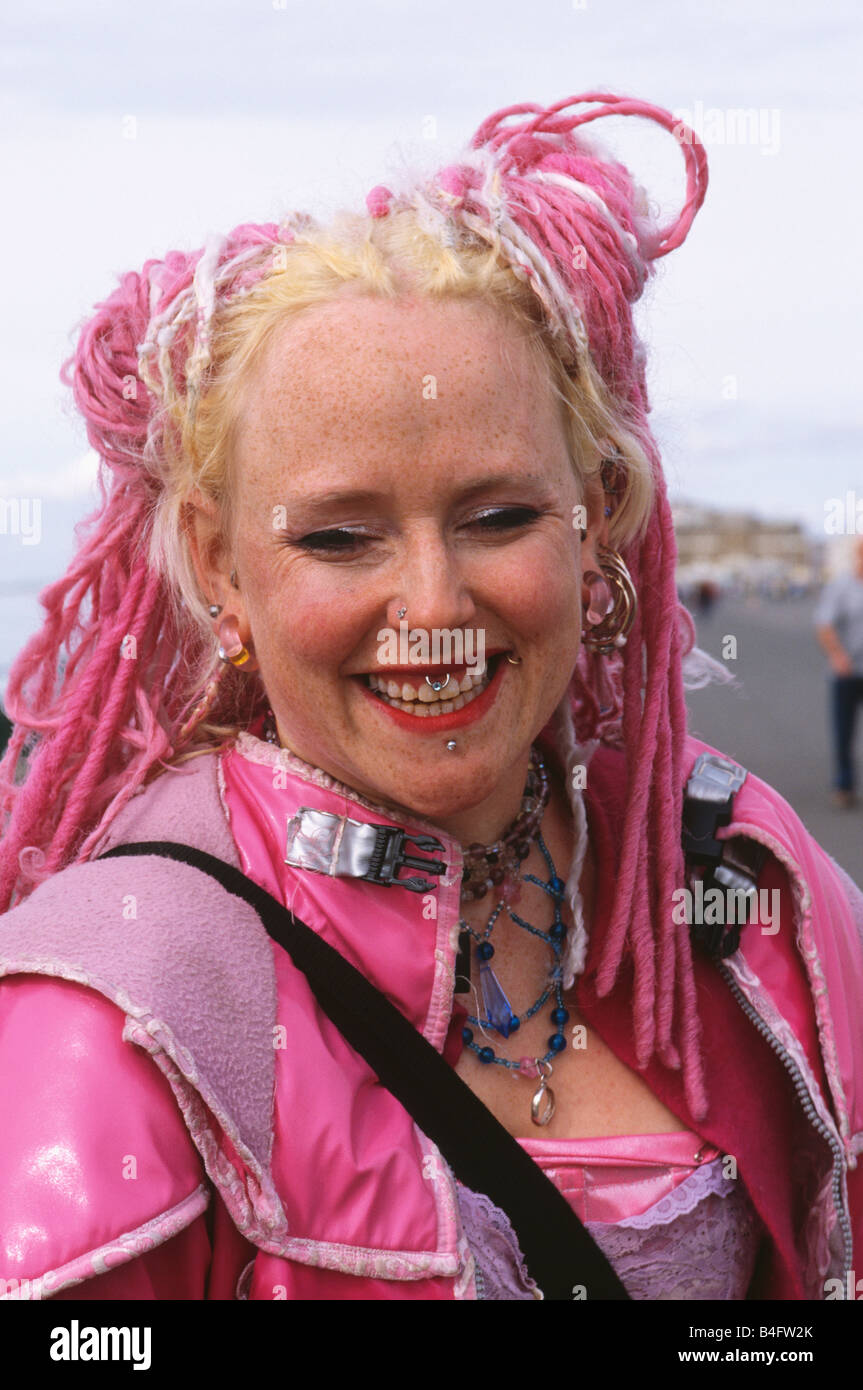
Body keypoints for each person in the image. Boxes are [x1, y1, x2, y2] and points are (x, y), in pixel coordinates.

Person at [1, 91, 862, 1303]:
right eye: (341, 536)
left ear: (597, 515)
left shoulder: (742, 868)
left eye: (498, 517)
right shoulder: (117, 1000)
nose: (433, 605)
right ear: (215, 562)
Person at [815, 535, 863, 808]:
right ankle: (844, 784)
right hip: (847, 672)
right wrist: (837, 655)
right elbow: (824, 624)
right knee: (844, 732)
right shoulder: (842, 586)